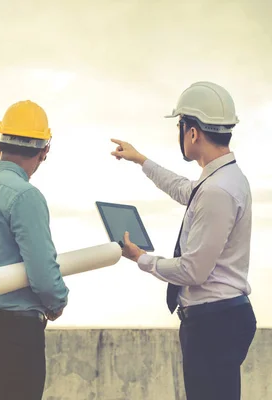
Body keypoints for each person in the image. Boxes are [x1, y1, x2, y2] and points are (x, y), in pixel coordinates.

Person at [110, 81, 257, 400]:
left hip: (214, 324)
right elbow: (184, 190)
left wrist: (141, 258)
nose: (179, 132)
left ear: (193, 132)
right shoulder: (221, 178)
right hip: (219, 319)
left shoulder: (218, 190)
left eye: (180, 124)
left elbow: (193, 271)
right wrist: (141, 160)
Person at [0, 100, 69, 400]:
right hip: (16, 330)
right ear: (44, 152)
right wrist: (57, 301)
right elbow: (43, 272)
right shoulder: (25, 197)